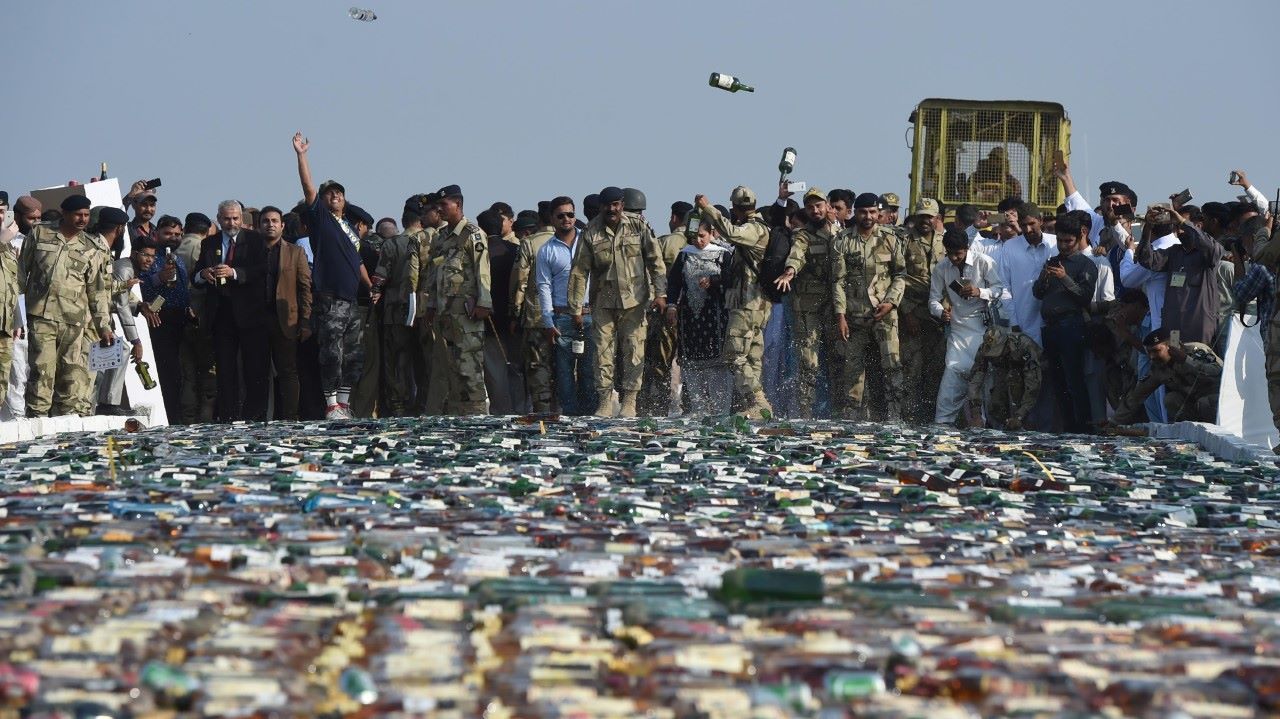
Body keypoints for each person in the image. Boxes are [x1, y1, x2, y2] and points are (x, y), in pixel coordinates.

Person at [567, 186, 667, 417]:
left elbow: (655, 261)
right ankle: (604, 400)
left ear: (622, 204)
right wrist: (575, 308)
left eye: (616, 205)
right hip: (603, 302)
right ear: (601, 207)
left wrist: (660, 294)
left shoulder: (638, 225)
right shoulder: (591, 231)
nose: (612, 209)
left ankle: (630, 401)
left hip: (635, 301)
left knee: (633, 349)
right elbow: (579, 272)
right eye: (607, 205)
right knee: (602, 352)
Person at [292, 132, 371, 419]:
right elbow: (308, 187)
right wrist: (302, 156)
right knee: (331, 353)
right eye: (330, 193)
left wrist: (370, 285)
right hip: (330, 298)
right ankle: (330, 405)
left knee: (353, 355)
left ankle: (345, 403)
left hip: (352, 300)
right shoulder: (320, 219)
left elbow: (356, 260)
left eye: (339, 192)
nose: (335, 195)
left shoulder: (350, 226)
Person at [18, 195, 115, 417]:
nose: (82, 219)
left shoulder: (91, 247)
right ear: (64, 213)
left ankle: (65, 430)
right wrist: (15, 314)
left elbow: (97, 291)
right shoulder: (40, 233)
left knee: (71, 377)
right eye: (78, 214)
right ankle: (37, 424)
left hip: (74, 322)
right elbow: (21, 274)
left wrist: (103, 326)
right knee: (42, 373)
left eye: (87, 215)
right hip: (41, 317)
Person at [696, 187, 772, 418]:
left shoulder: (754, 228)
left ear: (736, 208)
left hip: (748, 302)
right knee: (752, 356)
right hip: (755, 303)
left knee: (733, 354)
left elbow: (730, 233)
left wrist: (707, 208)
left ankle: (758, 400)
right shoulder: (760, 227)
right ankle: (755, 405)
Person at [830, 193, 907, 420]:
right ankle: (852, 418)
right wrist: (840, 316)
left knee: (893, 367)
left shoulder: (890, 239)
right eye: (864, 212)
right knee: (853, 370)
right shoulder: (842, 240)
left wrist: (891, 302)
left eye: (873, 212)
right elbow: (838, 281)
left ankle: (895, 417)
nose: (868, 216)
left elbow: (900, 275)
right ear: (856, 212)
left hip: (885, 315)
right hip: (854, 317)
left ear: (879, 213)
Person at [193, 200, 269, 422]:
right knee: (225, 370)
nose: (231, 222)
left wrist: (234, 272)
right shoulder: (209, 243)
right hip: (221, 315)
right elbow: (195, 275)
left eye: (235, 218)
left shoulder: (255, 240)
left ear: (241, 219)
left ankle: (255, 417)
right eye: (226, 218)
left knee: (254, 369)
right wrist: (203, 274)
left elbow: (262, 269)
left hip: (250, 315)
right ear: (218, 219)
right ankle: (229, 417)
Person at [425, 184, 491, 415]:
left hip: (466, 314)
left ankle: (476, 414)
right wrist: (431, 305)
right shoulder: (440, 237)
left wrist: (484, 303)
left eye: (444, 205)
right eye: (437, 206)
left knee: (469, 366)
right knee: (448, 367)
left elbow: (483, 270)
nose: (439, 209)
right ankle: (455, 414)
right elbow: (434, 274)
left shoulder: (473, 234)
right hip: (444, 315)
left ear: (458, 205)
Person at [929, 227, 1005, 425]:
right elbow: (933, 300)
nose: (954, 258)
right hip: (958, 329)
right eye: (950, 253)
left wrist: (979, 291)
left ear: (967, 248)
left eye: (958, 253)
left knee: (985, 380)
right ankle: (943, 424)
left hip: (984, 329)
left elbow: (1000, 290)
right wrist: (941, 312)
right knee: (952, 374)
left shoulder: (984, 262)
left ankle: (986, 426)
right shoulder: (941, 268)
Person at [774, 188, 837, 418]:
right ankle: (806, 412)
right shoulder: (803, 235)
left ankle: (841, 411)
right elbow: (797, 254)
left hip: (837, 308)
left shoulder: (840, 234)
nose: (815, 210)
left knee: (840, 360)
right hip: (808, 308)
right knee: (808, 362)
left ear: (827, 206)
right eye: (810, 207)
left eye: (818, 205)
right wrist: (790, 271)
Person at [1032, 210, 1098, 432]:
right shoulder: (1051, 261)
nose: (1063, 245)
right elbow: (1038, 294)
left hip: (1071, 326)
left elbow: (1084, 296)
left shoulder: (1086, 265)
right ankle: (1067, 426)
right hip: (1050, 329)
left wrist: (1064, 278)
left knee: (1074, 380)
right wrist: (1044, 278)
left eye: (1068, 241)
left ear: (1079, 238)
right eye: (1059, 240)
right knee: (1057, 381)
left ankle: (1083, 427)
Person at [537, 196, 596, 416]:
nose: (566, 219)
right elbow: (543, 286)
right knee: (563, 372)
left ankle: (590, 416)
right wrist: (547, 320)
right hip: (561, 317)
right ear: (552, 218)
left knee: (590, 370)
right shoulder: (546, 250)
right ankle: (570, 415)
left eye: (570, 214)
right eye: (560, 215)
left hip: (590, 314)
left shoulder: (588, 241)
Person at [665, 217, 731, 414]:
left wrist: (714, 281)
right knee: (693, 365)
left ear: (711, 234)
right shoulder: (685, 255)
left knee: (717, 365)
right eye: (694, 237)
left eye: (702, 236)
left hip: (716, 317)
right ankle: (698, 408)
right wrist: (672, 306)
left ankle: (721, 410)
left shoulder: (722, 255)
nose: (698, 241)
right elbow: (675, 282)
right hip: (691, 319)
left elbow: (731, 278)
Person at [1136, 203, 1225, 346]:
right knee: (1175, 364)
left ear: (1199, 226)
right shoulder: (1174, 252)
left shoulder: (1208, 253)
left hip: (1199, 327)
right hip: (1174, 328)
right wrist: (1148, 227)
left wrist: (1183, 222)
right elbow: (1147, 260)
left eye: (1182, 226)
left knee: (1199, 364)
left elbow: (1213, 250)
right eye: (1176, 227)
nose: (1179, 231)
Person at [259, 206, 313, 421]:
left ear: (282, 225)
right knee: (258, 372)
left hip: (287, 320)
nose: (270, 224)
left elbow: (305, 288)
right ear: (259, 225)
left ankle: (291, 417)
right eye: (265, 221)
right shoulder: (250, 251)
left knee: (288, 371)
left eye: (274, 221)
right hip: (256, 320)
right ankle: (261, 417)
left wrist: (306, 321)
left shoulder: (295, 251)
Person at [639, 200, 692, 416]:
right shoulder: (697, 243)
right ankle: (689, 406)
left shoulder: (663, 242)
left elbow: (652, 274)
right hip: (692, 312)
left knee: (659, 364)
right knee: (690, 364)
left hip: (664, 311)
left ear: (673, 218)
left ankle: (657, 408)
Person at [369, 202, 420, 417]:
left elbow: (379, 278)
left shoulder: (392, 245)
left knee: (397, 360)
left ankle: (398, 405)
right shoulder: (432, 240)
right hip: (426, 310)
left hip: (395, 311)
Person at [137, 216, 190, 424]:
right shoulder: (150, 257)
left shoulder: (177, 258)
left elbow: (182, 288)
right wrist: (159, 277)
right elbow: (138, 288)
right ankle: (169, 418)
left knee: (179, 373)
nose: (173, 238)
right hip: (159, 320)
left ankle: (178, 416)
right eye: (168, 233)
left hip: (181, 319)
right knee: (167, 373)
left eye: (177, 234)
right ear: (156, 233)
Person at [899, 197, 948, 422]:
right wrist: (907, 313)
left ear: (937, 218)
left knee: (936, 370)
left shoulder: (946, 242)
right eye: (922, 216)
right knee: (911, 370)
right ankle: (908, 418)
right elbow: (896, 278)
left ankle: (931, 418)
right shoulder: (904, 241)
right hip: (913, 313)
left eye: (930, 216)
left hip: (939, 317)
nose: (926, 220)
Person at [1112, 328, 1222, 425]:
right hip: (1194, 404)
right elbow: (1137, 396)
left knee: (1204, 403)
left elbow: (1218, 372)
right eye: (1149, 352)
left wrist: (1186, 361)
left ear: (1169, 347)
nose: (1151, 357)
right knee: (1171, 400)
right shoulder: (1158, 368)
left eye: (1156, 351)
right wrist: (1114, 422)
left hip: (1217, 399)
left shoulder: (1195, 349)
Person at [97, 238, 156, 415]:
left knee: (110, 355)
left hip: (103, 316)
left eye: (152, 257)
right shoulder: (124, 269)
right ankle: (107, 404)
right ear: (134, 253)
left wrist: (139, 305)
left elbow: (124, 298)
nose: (149, 260)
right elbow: (121, 306)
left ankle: (105, 403)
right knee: (120, 350)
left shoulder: (130, 268)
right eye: (146, 255)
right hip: (95, 317)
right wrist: (136, 341)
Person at [511, 201, 556, 414]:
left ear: (539, 218)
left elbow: (520, 280)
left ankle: (543, 410)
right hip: (566, 314)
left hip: (535, 315)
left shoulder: (529, 243)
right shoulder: (572, 240)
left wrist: (515, 310)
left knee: (538, 366)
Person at [480, 209, 524, 414]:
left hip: (489, 321)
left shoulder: (480, 252)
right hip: (514, 319)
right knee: (516, 368)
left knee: (495, 371)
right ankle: (521, 409)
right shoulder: (515, 250)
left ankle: (501, 411)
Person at [175, 212, 216, 423]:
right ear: (207, 229)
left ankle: (187, 418)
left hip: (180, 317)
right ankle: (204, 418)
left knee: (188, 374)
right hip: (200, 316)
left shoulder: (177, 248)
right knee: (208, 373)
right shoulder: (200, 247)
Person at [996, 203, 1055, 347]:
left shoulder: (1055, 243)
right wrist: (1014, 321)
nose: (1028, 230)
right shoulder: (1010, 247)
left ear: (1040, 220)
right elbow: (1004, 286)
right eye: (1023, 225)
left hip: (1053, 321)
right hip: (1023, 322)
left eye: (1031, 224)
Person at [3, 197, 39, 420]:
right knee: (14, 374)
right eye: (31, 218)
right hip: (10, 318)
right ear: (16, 216)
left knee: (27, 372)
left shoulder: (32, 242)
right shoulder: (9, 241)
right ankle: (15, 421)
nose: (36, 222)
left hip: (30, 317)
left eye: (38, 218)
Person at [965, 325, 1042, 430]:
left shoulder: (1023, 346)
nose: (995, 355)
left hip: (1032, 371)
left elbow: (1033, 385)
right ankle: (1005, 425)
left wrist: (1019, 416)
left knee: (1016, 385)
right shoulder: (984, 349)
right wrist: (976, 414)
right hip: (1004, 370)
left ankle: (1025, 424)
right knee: (996, 406)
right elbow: (975, 380)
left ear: (1006, 344)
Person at [122, 181, 159, 251]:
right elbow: (118, 214)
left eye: (152, 205)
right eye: (144, 205)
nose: (148, 209)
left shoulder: (157, 231)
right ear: (134, 205)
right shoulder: (127, 229)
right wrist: (131, 195)